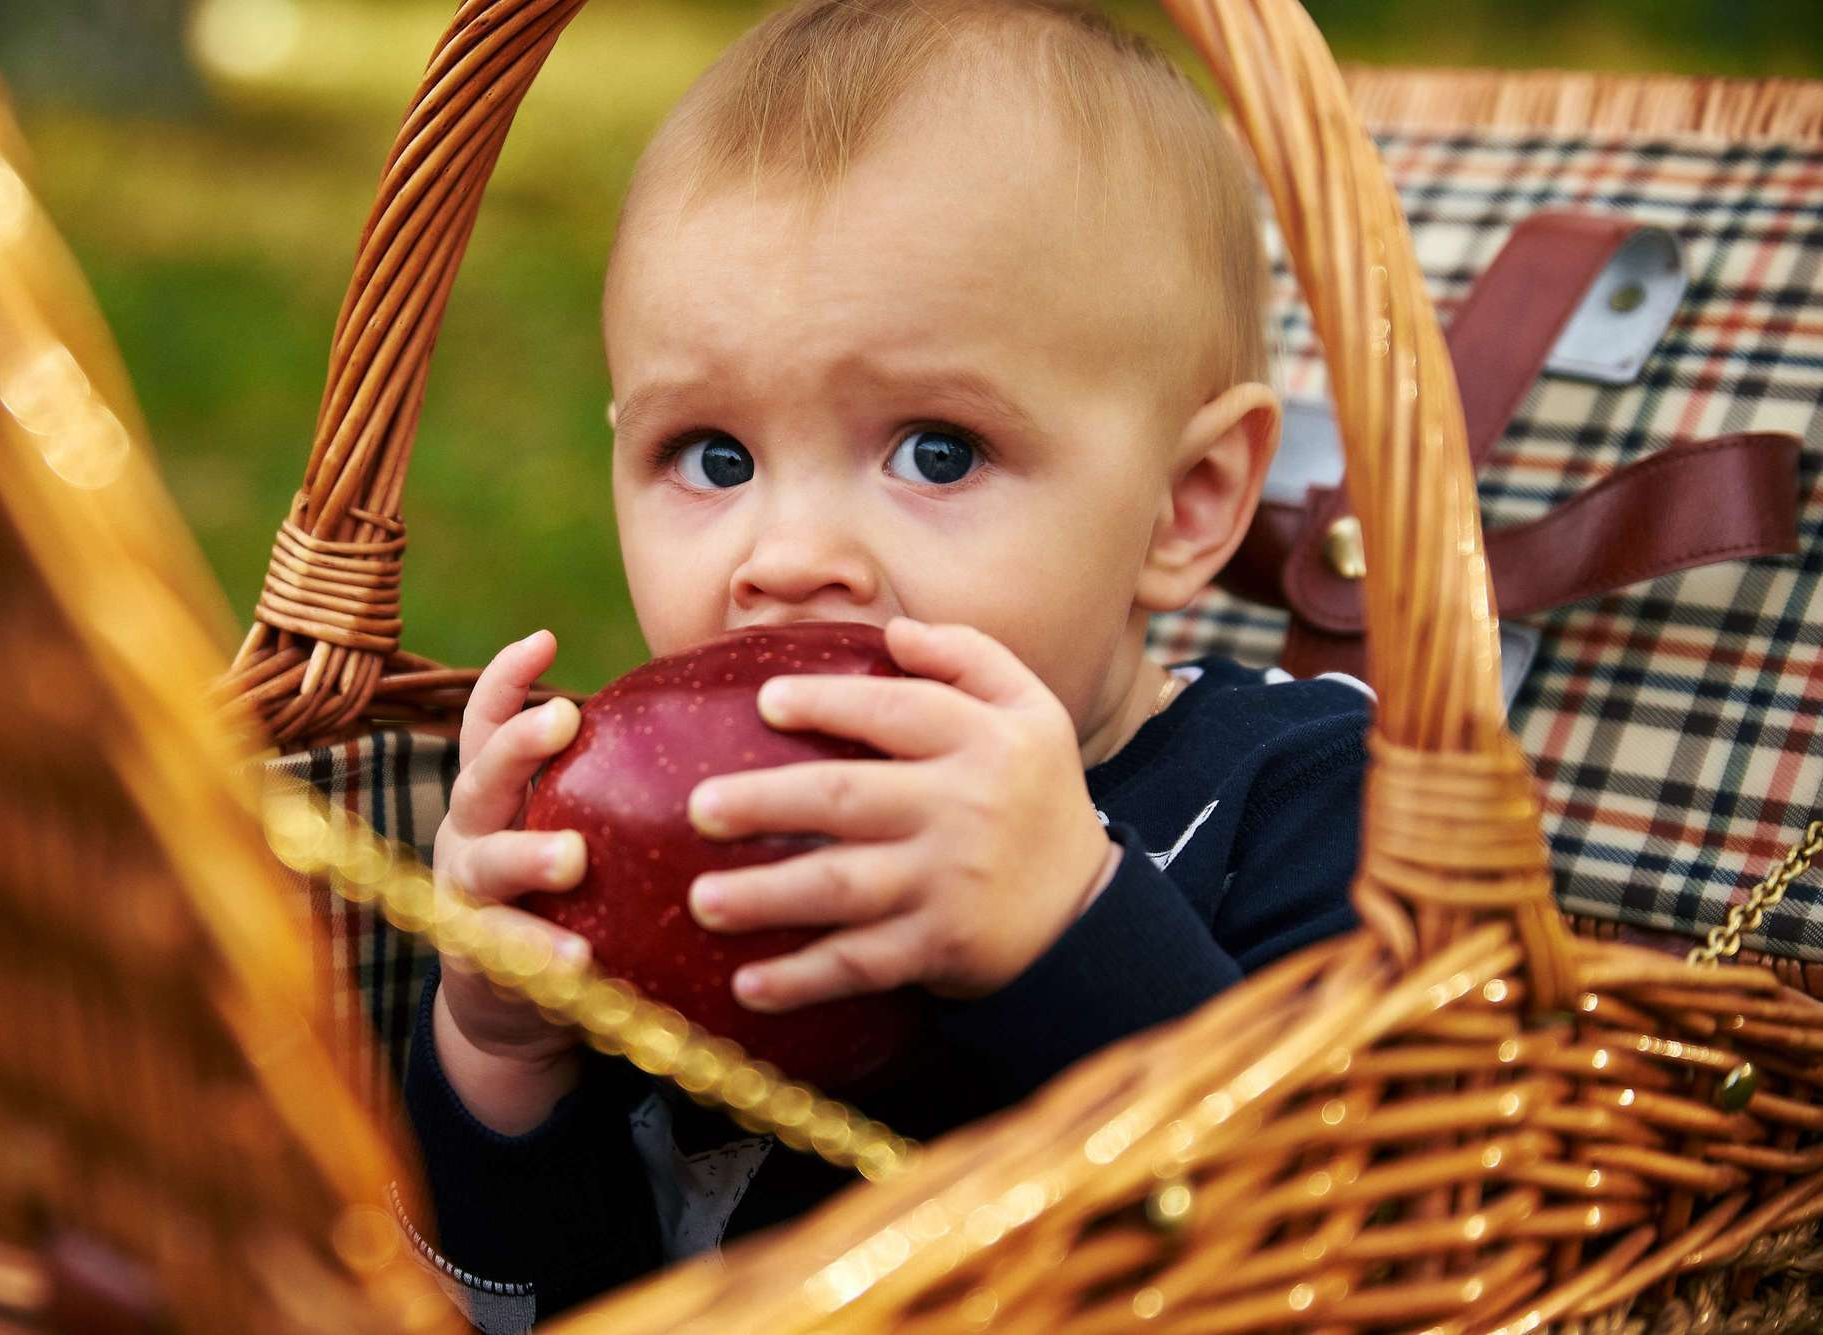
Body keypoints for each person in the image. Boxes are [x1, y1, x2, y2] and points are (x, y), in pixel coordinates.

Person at [402, 1, 1371, 1327]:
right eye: (715, 458)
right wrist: (501, 1053)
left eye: (937, 451)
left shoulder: (1300, 797)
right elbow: (538, 1302)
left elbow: (1357, 1240)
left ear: (1185, 503)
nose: (790, 556)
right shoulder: (667, 827)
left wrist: (1073, 925)